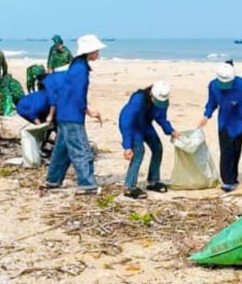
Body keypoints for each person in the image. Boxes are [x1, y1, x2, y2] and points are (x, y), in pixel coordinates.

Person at [45, 34, 105, 194]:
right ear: (89, 51)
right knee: (82, 150)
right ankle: (87, 184)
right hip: (72, 115)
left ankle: (53, 180)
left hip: (64, 113)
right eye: (96, 50)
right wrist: (89, 111)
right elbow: (78, 94)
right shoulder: (80, 69)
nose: (98, 53)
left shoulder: (77, 65)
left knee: (62, 150)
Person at [198, 62, 242, 192]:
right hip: (224, 121)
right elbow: (212, 103)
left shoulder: (241, 85)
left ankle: (233, 177)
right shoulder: (213, 85)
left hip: (240, 122)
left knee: (236, 151)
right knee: (226, 152)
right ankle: (227, 181)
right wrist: (206, 116)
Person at [118, 81, 178, 199]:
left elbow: (161, 117)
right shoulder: (138, 99)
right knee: (139, 152)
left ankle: (153, 181)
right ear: (151, 94)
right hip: (133, 126)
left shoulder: (163, 101)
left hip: (145, 125)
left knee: (158, 148)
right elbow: (127, 121)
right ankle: (129, 187)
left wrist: (171, 130)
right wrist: (127, 146)